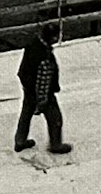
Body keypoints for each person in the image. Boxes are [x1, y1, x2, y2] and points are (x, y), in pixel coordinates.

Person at [14, 24, 71, 155]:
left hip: (28, 87)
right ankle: (56, 144)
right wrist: (42, 100)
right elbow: (43, 81)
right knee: (55, 117)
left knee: (26, 114)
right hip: (42, 92)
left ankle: (20, 141)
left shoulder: (33, 44)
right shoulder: (45, 57)